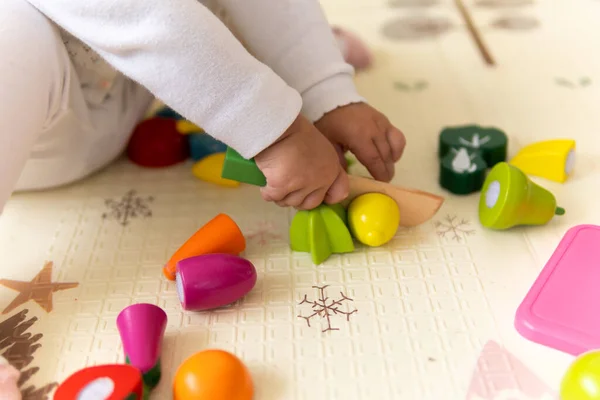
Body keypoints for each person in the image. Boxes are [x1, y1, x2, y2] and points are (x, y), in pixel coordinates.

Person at [0, 0, 406, 214]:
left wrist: (325, 89)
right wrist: (278, 133)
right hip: (37, 135)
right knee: (12, 36)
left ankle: (289, 61)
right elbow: (149, 18)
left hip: (127, 82)